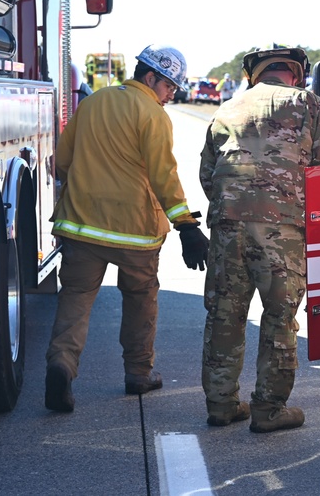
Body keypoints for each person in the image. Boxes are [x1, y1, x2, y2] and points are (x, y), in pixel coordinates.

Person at [45, 44, 211, 413]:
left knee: (75, 300)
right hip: (135, 233)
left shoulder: (92, 102)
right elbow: (163, 175)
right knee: (140, 301)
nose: (170, 96)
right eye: (169, 87)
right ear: (150, 77)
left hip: (81, 227)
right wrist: (185, 226)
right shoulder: (152, 115)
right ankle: (139, 374)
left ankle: (62, 365)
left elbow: (63, 162)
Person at [199, 45, 320, 432]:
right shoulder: (309, 104)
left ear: (254, 75)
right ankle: (268, 408)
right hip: (282, 231)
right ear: (296, 74)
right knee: (280, 318)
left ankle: (220, 404)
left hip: (227, 227)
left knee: (224, 315)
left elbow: (207, 174)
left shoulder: (227, 109)